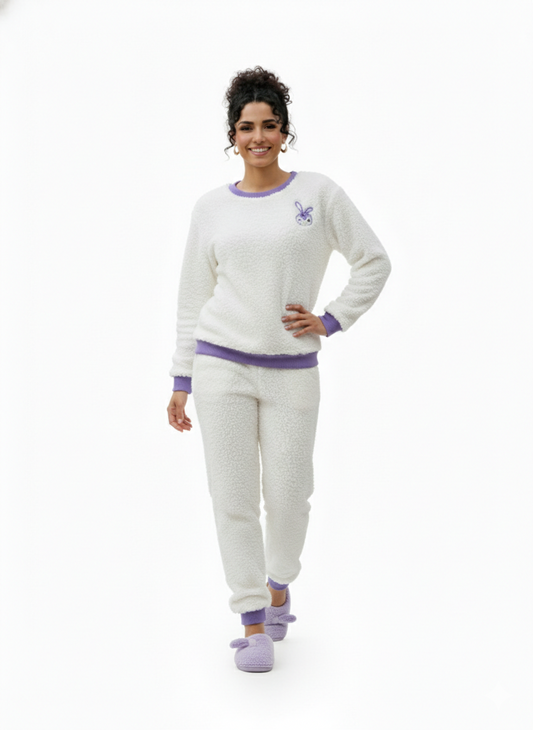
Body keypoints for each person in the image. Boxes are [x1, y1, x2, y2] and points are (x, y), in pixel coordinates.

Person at [167, 66, 391, 673]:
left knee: (291, 497)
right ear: (232, 136)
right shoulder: (211, 209)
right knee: (233, 499)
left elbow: (373, 260)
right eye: (246, 127)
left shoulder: (318, 194)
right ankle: (252, 621)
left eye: (269, 125)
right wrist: (182, 379)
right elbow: (192, 298)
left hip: (292, 371)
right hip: (220, 368)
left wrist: (332, 319)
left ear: (285, 132)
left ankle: (278, 584)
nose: (258, 137)